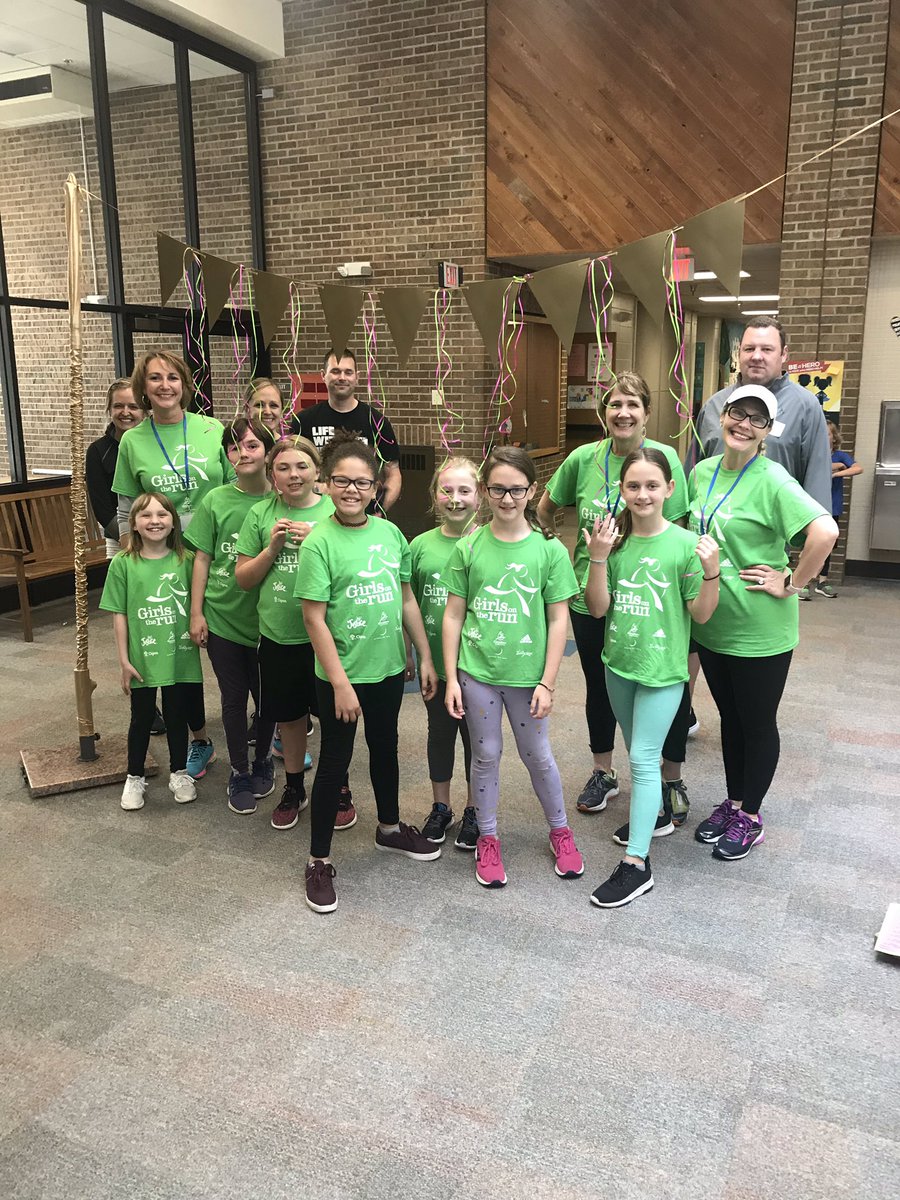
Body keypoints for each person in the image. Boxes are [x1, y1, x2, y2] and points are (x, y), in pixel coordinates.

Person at [537, 371, 694, 827]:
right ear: (604, 413)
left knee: (666, 686)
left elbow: (679, 527)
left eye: (633, 405)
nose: (623, 413)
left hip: (651, 598)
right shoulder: (583, 458)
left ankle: (670, 778)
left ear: (647, 413)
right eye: (615, 405)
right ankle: (603, 773)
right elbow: (547, 507)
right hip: (593, 596)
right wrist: (556, 550)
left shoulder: (663, 459)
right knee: (601, 689)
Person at [687, 384, 837, 860]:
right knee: (730, 719)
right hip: (713, 624)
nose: (743, 423)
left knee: (756, 722)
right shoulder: (702, 472)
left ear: (767, 431)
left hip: (761, 630)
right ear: (723, 416)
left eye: (757, 418)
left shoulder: (773, 479)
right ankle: (733, 803)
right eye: (737, 412)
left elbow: (825, 530)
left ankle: (751, 816)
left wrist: (791, 581)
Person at [296, 431, 439, 914]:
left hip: (386, 670)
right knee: (335, 762)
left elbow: (405, 600)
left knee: (385, 748)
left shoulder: (390, 534)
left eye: (362, 482)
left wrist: (424, 656)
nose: (352, 490)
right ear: (325, 483)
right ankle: (318, 861)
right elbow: (313, 617)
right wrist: (339, 683)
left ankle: (390, 829)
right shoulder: (319, 543)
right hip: (340, 675)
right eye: (342, 481)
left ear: (376, 486)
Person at [583, 449, 721, 907]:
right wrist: (598, 558)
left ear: (669, 489)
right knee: (634, 750)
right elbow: (599, 608)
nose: (642, 494)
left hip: (663, 672)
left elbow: (700, 614)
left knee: (643, 760)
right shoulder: (614, 539)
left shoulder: (684, 544)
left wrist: (711, 572)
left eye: (651, 485)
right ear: (622, 490)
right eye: (633, 486)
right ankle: (656, 813)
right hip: (618, 665)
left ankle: (636, 864)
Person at [443, 446, 584, 889]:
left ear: (532, 490)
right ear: (485, 491)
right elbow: (453, 615)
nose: (507, 499)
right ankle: (487, 837)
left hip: (528, 678)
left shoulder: (549, 551)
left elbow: (559, 617)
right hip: (478, 673)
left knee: (537, 755)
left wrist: (549, 680)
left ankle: (560, 830)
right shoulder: (468, 547)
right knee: (485, 755)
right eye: (499, 489)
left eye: (517, 490)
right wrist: (451, 678)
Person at [113, 349, 234, 780]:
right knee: (175, 651)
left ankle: (265, 727)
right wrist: (133, 562)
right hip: (161, 558)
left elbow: (237, 488)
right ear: (143, 387)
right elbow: (126, 505)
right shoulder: (133, 440)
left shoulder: (211, 429)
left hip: (214, 557)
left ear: (185, 382)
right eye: (154, 379)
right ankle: (200, 739)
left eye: (172, 377)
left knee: (226, 649)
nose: (165, 385)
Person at [235, 438, 334, 830]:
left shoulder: (334, 512)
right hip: (279, 636)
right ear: (272, 475)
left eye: (302, 466)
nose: (294, 474)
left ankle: (337, 784)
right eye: (284, 467)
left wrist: (318, 543)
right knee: (290, 719)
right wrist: (272, 547)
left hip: (328, 637)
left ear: (316, 471)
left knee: (333, 716)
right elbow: (244, 580)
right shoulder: (260, 515)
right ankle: (295, 787)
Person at [186, 417, 278, 814]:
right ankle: (239, 770)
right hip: (223, 616)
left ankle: (263, 763)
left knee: (269, 697)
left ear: (267, 452)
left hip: (271, 620)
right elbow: (203, 558)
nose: (243, 453)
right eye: (235, 447)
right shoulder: (216, 500)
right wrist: (196, 612)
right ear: (227, 455)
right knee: (233, 697)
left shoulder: (283, 499)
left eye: (253, 445)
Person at [100, 493, 203, 811]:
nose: (155, 521)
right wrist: (123, 661)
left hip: (180, 654)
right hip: (142, 656)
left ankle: (179, 772)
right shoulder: (123, 564)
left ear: (174, 521)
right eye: (145, 515)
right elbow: (120, 614)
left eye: (162, 514)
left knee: (177, 715)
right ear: (133, 523)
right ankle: (134, 777)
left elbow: (198, 602)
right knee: (141, 718)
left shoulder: (187, 561)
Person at [409, 456, 481, 850]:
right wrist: (421, 657)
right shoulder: (420, 547)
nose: (455, 499)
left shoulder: (488, 543)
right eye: (446, 490)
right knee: (440, 735)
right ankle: (442, 807)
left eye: (464, 490)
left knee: (477, 741)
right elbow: (413, 606)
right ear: (434, 496)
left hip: (479, 669)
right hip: (437, 665)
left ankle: (474, 808)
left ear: (480, 496)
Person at [692, 317, 832, 511]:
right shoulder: (714, 405)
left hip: (773, 534)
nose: (757, 356)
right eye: (749, 349)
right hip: (710, 533)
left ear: (784, 354)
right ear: (739, 352)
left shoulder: (805, 408)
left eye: (767, 349)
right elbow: (693, 477)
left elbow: (817, 484)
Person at [295, 349, 402, 511]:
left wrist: (379, 511)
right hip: (315, 514)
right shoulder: (304, 421)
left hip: (362, 515)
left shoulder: (377, 422)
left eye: (348, 372)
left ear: (357, 377)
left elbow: (393, 472)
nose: (342, 377)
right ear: (323, 375)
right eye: (335, 371)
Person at [86, 378, 143, 559]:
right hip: (120, 540)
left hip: (161, 535)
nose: (125, 412)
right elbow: (102, 508)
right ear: (109, 410)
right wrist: (129, 539)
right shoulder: (98, 451)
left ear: (144, 411)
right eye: (119, 406)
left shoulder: (157, 445)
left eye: (133, 406)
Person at [807, 421, 862, 599]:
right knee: (809, 544)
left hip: (833, 506)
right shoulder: (813, 455)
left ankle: (822, 582)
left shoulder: (840, 455)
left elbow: (858, 468)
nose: (825, 437)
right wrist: (835, 466)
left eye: (828, 434)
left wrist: (836, 473)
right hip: (812, 506)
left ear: (834, 437)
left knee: (828, 545)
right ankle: (805, 582)